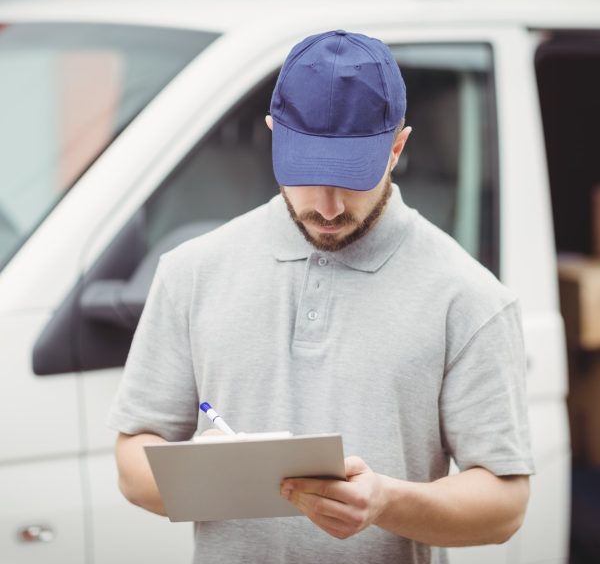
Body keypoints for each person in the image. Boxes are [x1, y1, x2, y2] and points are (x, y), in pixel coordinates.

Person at [108, 29, 534, 564]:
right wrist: (205, 474)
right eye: (307, 174)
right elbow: (131, 465)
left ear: (397, 146)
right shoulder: (192, 272)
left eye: (352, 179)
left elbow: (505, 507)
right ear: (273, 135)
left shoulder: (470, 297)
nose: (328, 208)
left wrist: (386, 502)